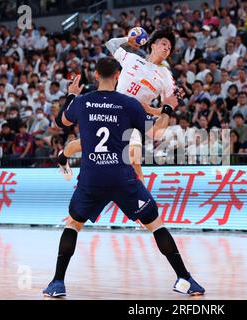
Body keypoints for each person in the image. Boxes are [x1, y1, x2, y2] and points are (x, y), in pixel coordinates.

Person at [42, 57, 204, 298]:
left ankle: (57, 283)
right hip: (122, 177)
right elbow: (156, 132)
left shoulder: (83, 102)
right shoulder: (129, 104)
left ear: (95, 76)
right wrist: (168, 107)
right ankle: (186, 279)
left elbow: (60, 123)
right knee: (155, 225)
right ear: (118, 75)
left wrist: (72, 95)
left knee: (73, 225)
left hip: (92, 177)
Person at [57, 27, 179, 183]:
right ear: (153, 45)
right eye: (163, 44)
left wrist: (150, 110)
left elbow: (167, 109)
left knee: (134, 162)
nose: (166, 49)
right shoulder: (133, 58)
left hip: (132, 119)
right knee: (85, 145)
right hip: (110, 110)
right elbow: (111, 44)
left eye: (169, 48)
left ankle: (142, 202)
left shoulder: (166, 76)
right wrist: (128, 40)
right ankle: (62, 157)